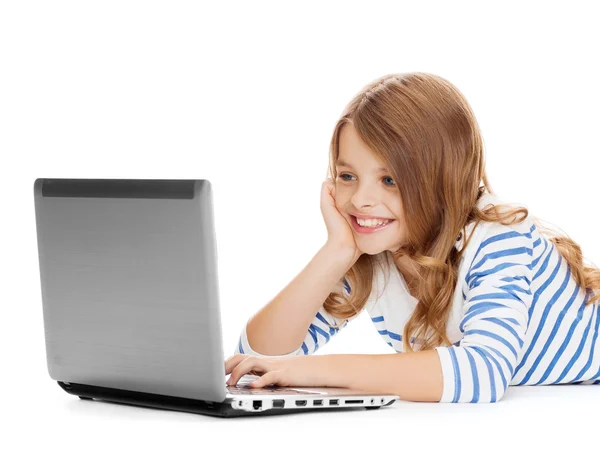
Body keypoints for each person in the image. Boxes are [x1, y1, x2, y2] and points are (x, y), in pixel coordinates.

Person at [224, 72, 600, 403]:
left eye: (389, 180)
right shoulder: (374, 254)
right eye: (347, 176)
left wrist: (311, 372)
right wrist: (335, 251)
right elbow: (255, 361)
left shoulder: (497, 236)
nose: (361, 200)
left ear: (441, 182)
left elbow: (483, 373)